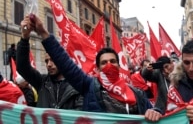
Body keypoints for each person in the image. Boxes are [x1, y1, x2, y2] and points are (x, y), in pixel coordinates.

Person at [21, 14, 155, 114]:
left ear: (119, 66)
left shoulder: (138, 94)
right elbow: (64, 62)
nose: (109, 64)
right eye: (104, 62)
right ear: (97, 69)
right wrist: (43, 33)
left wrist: (156, 112)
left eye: (113, 61)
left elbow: (155, 114)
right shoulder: (88, 86)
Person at [16, 25, 83, 110]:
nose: (49, 64)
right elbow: (22, 67)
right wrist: (24, 38)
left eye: (53, 60)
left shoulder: (78, 85)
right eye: (46, 61)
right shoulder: (42, 82)